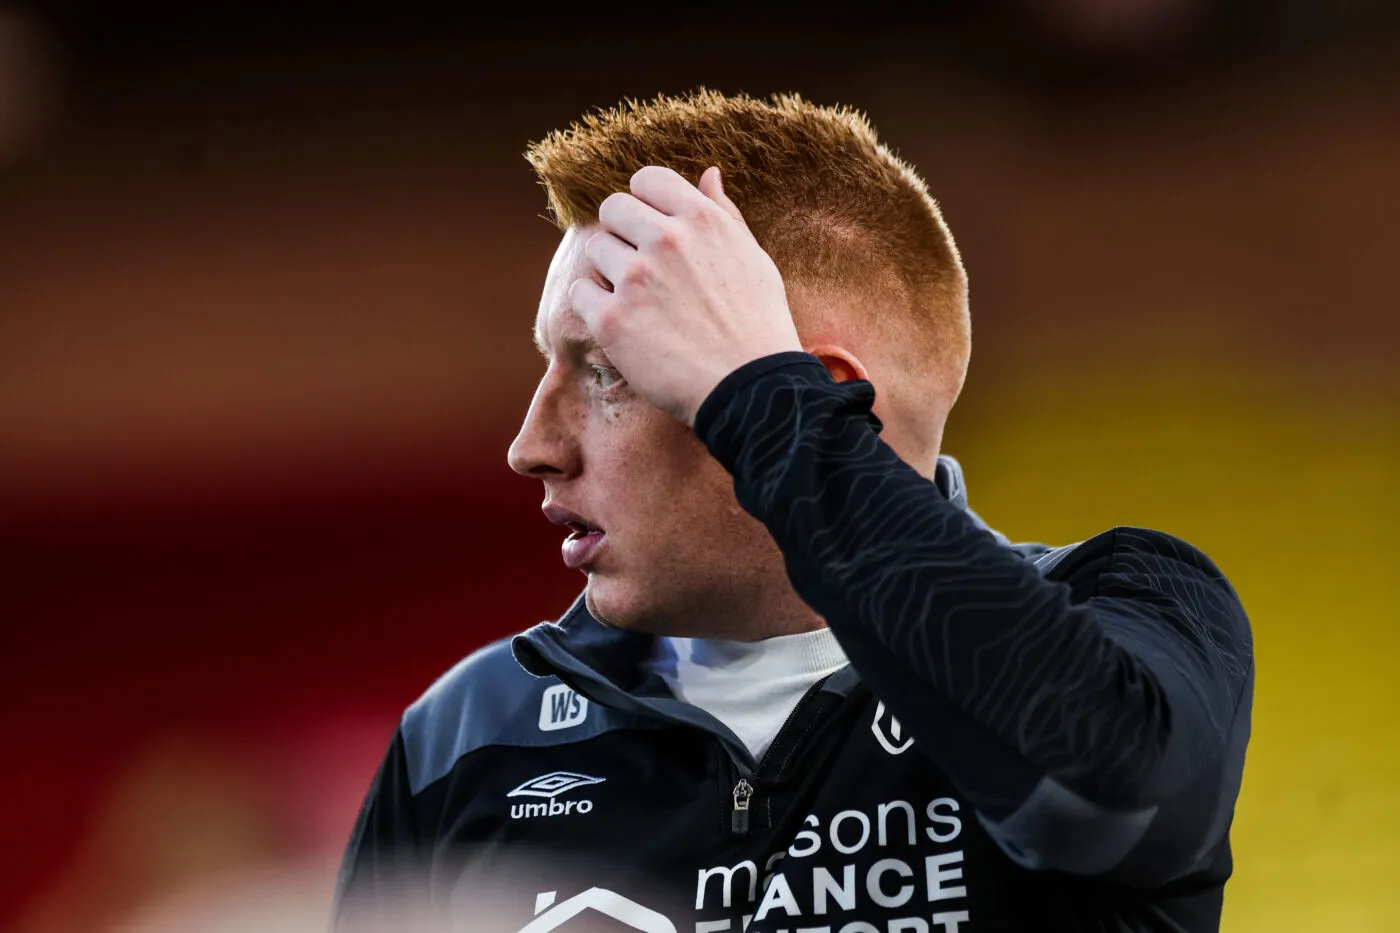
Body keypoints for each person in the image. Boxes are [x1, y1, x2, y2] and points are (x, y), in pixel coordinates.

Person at [333, 89, 1253, 933]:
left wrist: (757, 395)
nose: (530, 443)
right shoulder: (466, 735)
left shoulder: (1130, 601)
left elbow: (1108, 801)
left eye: (609, 372)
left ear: (811, 394)